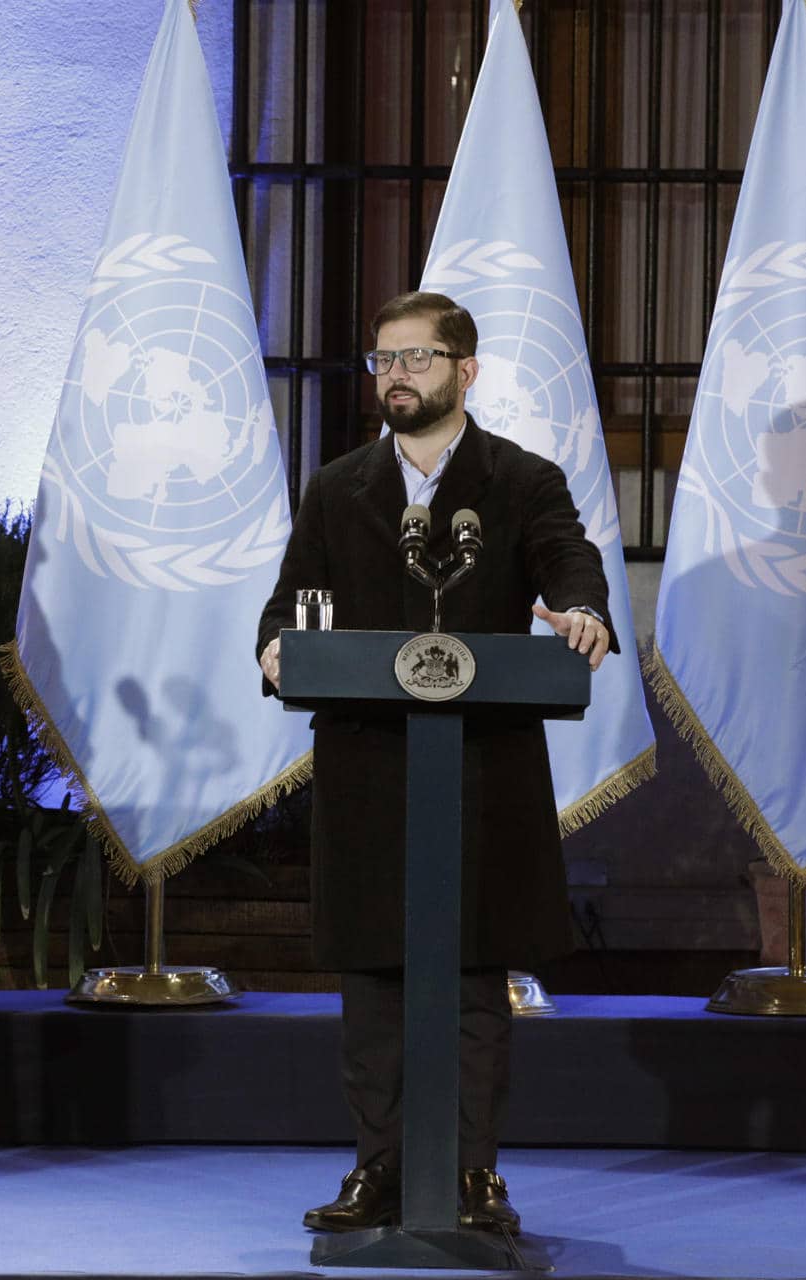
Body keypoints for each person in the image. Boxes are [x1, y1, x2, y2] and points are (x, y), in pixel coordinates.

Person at [255, 291, 615, 1235]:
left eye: (416, 358)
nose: (397, 375)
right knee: (375, 982)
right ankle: (378, 1169)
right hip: (370, 775)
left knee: (469, 981)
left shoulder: (521, 480)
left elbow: (568, 561)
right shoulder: (338, 487)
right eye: (382, 360)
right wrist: (276, 648)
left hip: (481, 777)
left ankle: (472, 1178)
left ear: (467, 370)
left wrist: (583, 611)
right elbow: (291, 602)